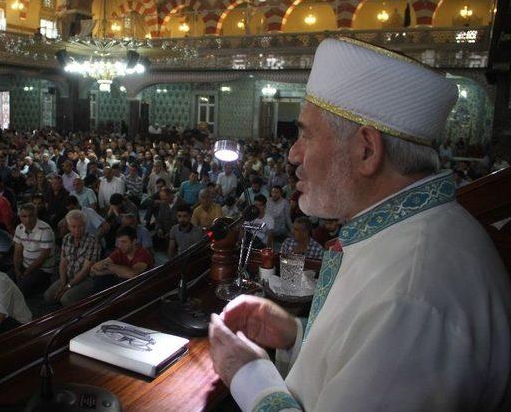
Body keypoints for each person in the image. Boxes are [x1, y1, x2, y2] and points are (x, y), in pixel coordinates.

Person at [209, 38, 511, 412]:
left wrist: (248, 375)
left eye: (305, 134)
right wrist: (294, 337)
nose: (292, 153)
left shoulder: (413, 294)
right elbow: (366, 368)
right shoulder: (405, 232)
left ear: (366, 149)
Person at [44, 210, 101, 307]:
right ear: (69, 227)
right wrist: (63, 282)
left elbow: (86, 270)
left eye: (80, 226)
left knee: (66, 299)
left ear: (85, 225)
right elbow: (63, 263)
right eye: (73, 226)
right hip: (69, 276)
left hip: (86, 279)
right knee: (48, 296)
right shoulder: (66, 238)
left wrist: (68, 286)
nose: (77, 230)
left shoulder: (92, 241)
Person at [90, 226, 154, 292]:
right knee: (100, 281)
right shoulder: (120, 252)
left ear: (134, 241)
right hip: (124, 288)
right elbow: (94, 268)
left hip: (141, 290)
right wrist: (110, 271)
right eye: (119, 242)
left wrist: (110, 266)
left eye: (124, 242)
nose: (120, 245)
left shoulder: (143, 254)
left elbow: (132, 274)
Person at [13, 203, 55, 296]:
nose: (28, 220)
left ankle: (44, 284)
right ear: (20, 217)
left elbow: (43, 257)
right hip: (25, 264)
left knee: (21, 290)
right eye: (24, 216)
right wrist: (17, 270)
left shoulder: (45, 229)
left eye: (31, 216)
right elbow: (17, 251)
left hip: (42, 269)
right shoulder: (19, 228)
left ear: (36, 215)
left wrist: (27, 272)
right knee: (8, 279)